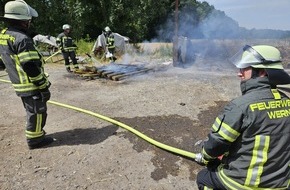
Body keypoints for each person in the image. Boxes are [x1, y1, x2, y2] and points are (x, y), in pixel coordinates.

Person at [195, 45, 290, 189]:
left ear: (263, 72)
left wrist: (205, 156)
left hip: (244, 183)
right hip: (281, 184)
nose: (239, 74)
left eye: (244, 68)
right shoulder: (287, 102)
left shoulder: (240, 106)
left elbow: (216, 143)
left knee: (203, 178)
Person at [0, 0, 54, 149]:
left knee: (31, 110)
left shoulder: (4, 35)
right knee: (37, 112)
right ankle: (35, 140)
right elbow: (30, 66)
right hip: (30, 85)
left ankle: (36, 135)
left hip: (19, 84)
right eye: (28, 20)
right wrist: (43, 86)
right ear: (23, 21)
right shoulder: (23, 40)